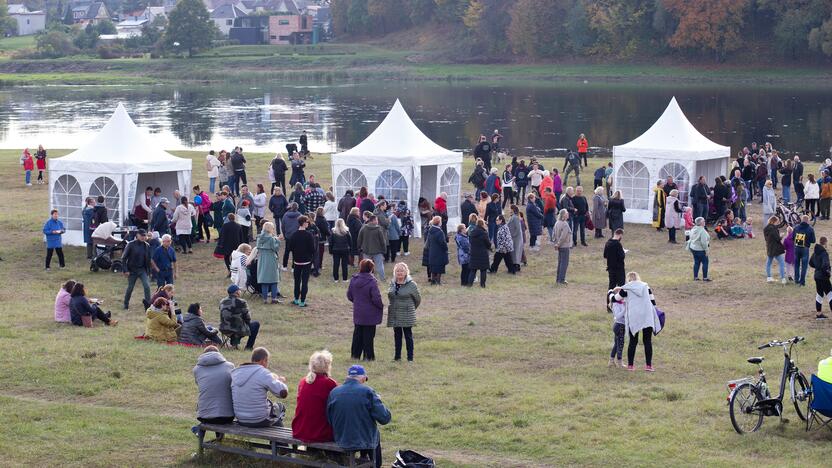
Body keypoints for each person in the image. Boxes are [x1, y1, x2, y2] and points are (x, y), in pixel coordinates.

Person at [327, 365, 391, 468]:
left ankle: (363, 458)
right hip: (363, 439)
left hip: (341, 438)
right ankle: (375, 464)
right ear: (362, 378)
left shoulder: (334, 392)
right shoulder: (368, 392)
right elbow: (385, 418)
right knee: (373, 434)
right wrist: (378, 400)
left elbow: (329, 419)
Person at [613, 272, 661, 371]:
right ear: (638, 278)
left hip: (633, 317)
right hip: (647, 316)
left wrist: (610, 292)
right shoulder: (646, 286)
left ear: (628, 279)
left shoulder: (626, 288)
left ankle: (630, 366)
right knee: (647, 341)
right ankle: (649, 366)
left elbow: (615, 299)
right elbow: (653, 303)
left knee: (633, 342)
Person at [232, 347, 289, 427]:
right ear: (263, 360)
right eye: (267, 361)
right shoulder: (263, 373)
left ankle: (276, 439)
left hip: (240, 418)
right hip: (258, 419)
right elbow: (282, 393)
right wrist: (280, 381)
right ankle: (278, 439)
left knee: (273, 413)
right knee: (279, 407)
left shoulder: (236, 372)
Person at [293, 350, 338, 443]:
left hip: (300, 429)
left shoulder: (303, 381)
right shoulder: (329, 383)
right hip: (319, 433)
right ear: (327, 366)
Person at [348, 259, 384, 361]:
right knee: (368, 336)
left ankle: (355, 355)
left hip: (358, 311)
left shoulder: (354, 280)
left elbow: (349, 295)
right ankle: (368, 356)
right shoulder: (372, 282)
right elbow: (376, 298)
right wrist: (380, 306)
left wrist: (357, 302)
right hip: (370, 313)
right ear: (371, 268)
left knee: (357, 334)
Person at [193, 346, 235, 425]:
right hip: (228, 416)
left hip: (203, 417)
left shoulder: (196, 369)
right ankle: (219, 436)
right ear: (219, 354)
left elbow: (199, 384)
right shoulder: (230, 366)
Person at [388, 262, 421, 361]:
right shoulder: (392, 283)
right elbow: (390, 295)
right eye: (397, 271)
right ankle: (397, 357)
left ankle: (410, 358)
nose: (399, 273)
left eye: (401, 270)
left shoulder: (411, 284)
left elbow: (418, 299)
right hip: (395, 313)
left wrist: (410, 308)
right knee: (397, 336)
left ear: (406, 272)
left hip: (407, 314)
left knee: (408, 336)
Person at [285, 215, 316, 307]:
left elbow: (289, 248)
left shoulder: (294, 235)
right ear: (303, 223)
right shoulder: (309, 235)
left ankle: (296, 299)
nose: (308, 223)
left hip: (297, 261)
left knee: (297, 281)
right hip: (306, 261)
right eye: (307, 222)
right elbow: (312, 249)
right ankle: (302, 301)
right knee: (304, 282)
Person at [220, 284, 260, 350]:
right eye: (239, 290)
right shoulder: (241, 302)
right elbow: (247, 318)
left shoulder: (222, 301)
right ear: (236, 292)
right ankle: (248, 347)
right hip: (236, 329)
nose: (240, 291)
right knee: (255, 324)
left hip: (224, 328)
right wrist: (246, 322)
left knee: (237, 324)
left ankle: (234, 343)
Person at [122, 229, 152, 310]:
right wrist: (125, 270)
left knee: (147, 286)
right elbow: (124, 258)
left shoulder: (147, 245)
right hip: (132, 270)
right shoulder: (130, 244)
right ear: (137, 235)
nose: (143, 237)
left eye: (144, 235)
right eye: (141, 235)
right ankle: (126, 304)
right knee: (130, 287)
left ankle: (148, 305)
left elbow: (148, 260)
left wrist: (149, 272)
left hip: (142, 270)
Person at [256, 222, 282, 304]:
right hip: (270, 257)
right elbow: (275, 248)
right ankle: (274, 298)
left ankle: (265, 299)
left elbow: (258, 247)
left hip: (262, 258)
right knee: (274, 280)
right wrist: (278, 241)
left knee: (264, 280)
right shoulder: (271, 238)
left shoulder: (259, 237)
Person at [357, 214, 387, 281]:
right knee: (379, 266)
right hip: (377, 251)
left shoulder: (363, 228)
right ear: (373, 220)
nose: (377, 221)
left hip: (366, 250)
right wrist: (384, 250)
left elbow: (359, 239)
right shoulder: (378, 229)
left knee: (366, 266)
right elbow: (382, 241)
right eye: (376, 220)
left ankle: (366, 279)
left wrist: (359, 247)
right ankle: (382, 279)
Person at [811, 237, 831, 320]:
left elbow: (810, 263)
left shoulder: (815, 252)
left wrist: (817, 267)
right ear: (825, 243)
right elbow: (825, 265)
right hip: (823, 277)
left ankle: (819, 314)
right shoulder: (824, 253)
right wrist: (828, 272)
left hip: (817, 276)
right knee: (830, 294)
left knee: (819, 294)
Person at [425, 216, 449, 285]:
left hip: (432, 251)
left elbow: (428, 242)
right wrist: (446, 248)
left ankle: (433, 281)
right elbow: (442, 243)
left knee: (433, 267)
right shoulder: (439, 232)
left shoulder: (430, 230)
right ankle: (438, 281)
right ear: (439, 222)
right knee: (439, 267)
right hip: (439, 252)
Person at [467, 218, 491, 287]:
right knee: (483, 270)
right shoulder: (484, 233)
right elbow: (488, 244)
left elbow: (470, 242)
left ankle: (469, 284)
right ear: (482, 224)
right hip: (483, 253)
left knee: (473, 270)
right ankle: (482, 285)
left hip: (474, 253)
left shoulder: (472, 233)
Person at [764, 216, 788, 284]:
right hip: (776, 248)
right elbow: (777, 239)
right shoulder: (773, 229)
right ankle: (783, 278)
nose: (778, 223)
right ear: (774, 221)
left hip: (769, 247)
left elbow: (767, 238)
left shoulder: (766, 228)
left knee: (768, 263)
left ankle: (769, 277)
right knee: (782, 263)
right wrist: (781, 236)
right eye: (777, 221)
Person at [794, 215, 816, 287]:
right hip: (805, 248)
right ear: (808, 221)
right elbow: (813, 241)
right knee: (804, 266)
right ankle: (802, 281)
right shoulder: (810, 229)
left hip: (797, 247)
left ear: (801, 220)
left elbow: (792, 237)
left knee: (796, 265)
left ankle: (796, 280)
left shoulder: (796, 227)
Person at [687, 217, 711, 281]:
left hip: (693, 248)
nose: (704, 222)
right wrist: (706, 250)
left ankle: (695, 277)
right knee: (705, 262)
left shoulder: (693, 229)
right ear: (701, 223)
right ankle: (705, 277)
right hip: (700, 249)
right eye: (703, 221)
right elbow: (704, 242)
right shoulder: (702, 231)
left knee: (696, 262)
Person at [553, 209, 573, 285]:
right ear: (563, 215)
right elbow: (563, 236)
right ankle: (561, 279)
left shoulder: (557, 223)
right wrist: (558, 244)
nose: (568, 214)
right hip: (564, 246)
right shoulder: (564, 224)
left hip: (559, 246)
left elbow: (553, 235)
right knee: (564, 263)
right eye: (567, 213)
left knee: (560, 262)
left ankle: (558, 279)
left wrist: (556, 243)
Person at [607, 289, 625, 368]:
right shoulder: (616, 304)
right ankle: (620, 362)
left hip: (620, 325)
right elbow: (618, 316)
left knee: (616, 344)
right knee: (620, 345)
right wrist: (625, 309)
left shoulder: (621, 303)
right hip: (619, 326)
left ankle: (611, 361)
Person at [507, 206, 524, 272]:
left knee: (516, 252)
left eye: (510, 209)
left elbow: (518, 229)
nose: (509, 210)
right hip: (514, 237)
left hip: (516, 238)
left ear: (513, 210)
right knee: (514, 252)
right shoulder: (513, 217)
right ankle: (515, 265)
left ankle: (516, 266)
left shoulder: (515, 217)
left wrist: (513, 235)